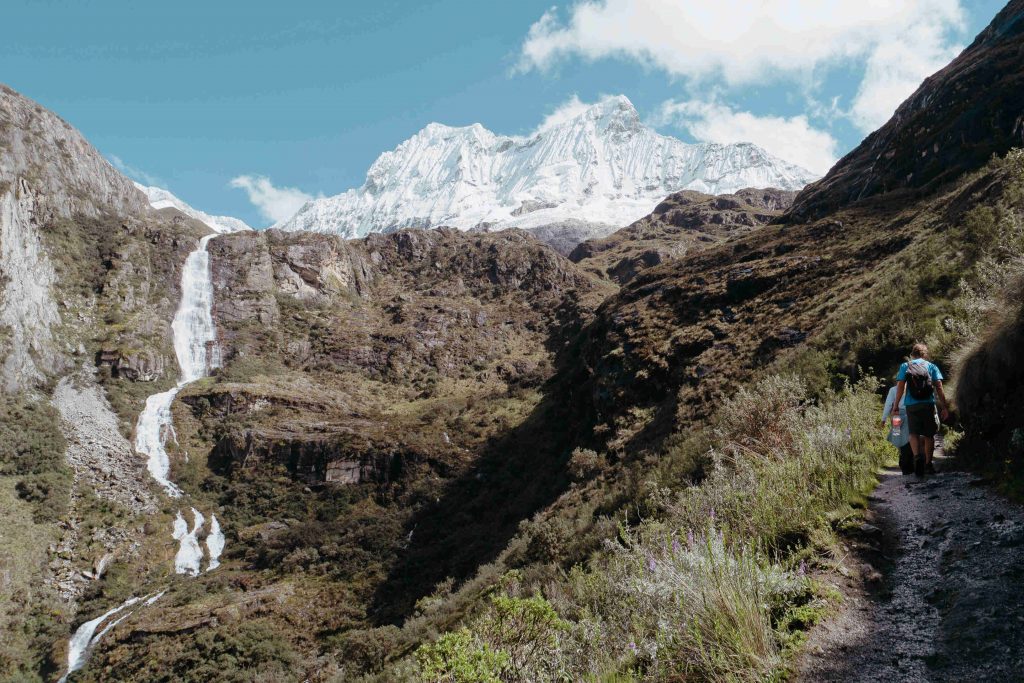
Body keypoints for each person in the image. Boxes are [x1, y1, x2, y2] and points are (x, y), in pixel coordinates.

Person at [891, 343, 949, 476]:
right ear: (924, 354)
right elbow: (939, 387)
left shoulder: (905, 366)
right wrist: (944, 406)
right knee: (929, 434)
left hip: (911, 405)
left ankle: (917, 458)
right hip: (928, 404)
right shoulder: (931, 366)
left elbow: (900, 387)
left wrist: (895, 406)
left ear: (913, 354)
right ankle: (928, 464)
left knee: (913, 433)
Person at [882, 384, 914, 474]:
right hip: (909, 416)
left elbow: (888, 404)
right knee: (910, 438)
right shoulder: (912, 388)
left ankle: (902, 457)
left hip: (896, 417)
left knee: (897, 437)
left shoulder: (893, 390)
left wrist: (883, 419)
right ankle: (908, 460)